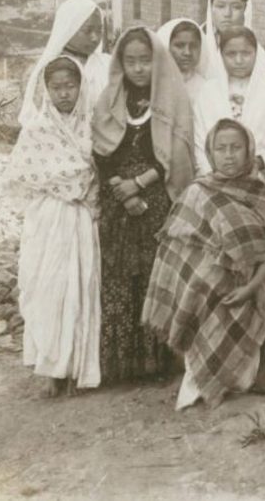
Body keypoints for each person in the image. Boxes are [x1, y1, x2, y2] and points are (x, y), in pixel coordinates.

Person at [143, 119, 265, 409]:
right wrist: (202, 276)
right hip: (203, 287)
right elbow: (177, 247)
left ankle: (230, 380)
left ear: (249, 151)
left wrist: (249, 289)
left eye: (236, 148)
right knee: (201, 294)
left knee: (242, 378)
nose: (229, 155)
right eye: (221, 148)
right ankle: (198, 383)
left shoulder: (260, 193)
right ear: (210, 152)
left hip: (246, 289)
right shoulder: (197, 191)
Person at [91, 27, 194, 384]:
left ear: (157, 62)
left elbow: (173, 155)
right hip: (117, 201)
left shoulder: (171, 100)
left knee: (154, 275)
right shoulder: (109, 99)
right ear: (120, 62)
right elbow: (100, 150)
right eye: (130, 61)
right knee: (118, 276)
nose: (137, 69)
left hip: (154, 198)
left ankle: (158, 360)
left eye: (145, 61)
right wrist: (120, 187)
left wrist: (139, 185)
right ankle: (122, 362)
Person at [7, 56, 101, 396]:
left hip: (80, 217)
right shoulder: (37, 129)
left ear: (81, 87)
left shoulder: (92, 125)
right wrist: (64, 183)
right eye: (57, 88)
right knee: (46, 286)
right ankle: (51, 369)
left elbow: (96, 169)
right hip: (48, 218)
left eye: (70, 86)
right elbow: (23, 174)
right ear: (46, 91)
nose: (64, 94)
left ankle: (75, 367)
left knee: (79, 287)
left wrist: (85, 190)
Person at [194, 26, 265, 173]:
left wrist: (256, 164)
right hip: (213, 177)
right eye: (231, 54)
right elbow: (200, 140)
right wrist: (212, 174)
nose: (239, 60)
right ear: (221, 56)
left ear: (256, 54)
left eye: (246, 53)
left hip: (257, 176)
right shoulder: (209, 92)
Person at [19, 0, 110, 127]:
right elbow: (40, 120)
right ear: (69, 28)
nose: (95, 37)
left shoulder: (108, 64)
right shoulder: (48, 69)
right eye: (88, 31)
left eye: (99, 30)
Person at [200, 0, 265, 82]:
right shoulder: (197, 44)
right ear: (211, 9)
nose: (227, 14)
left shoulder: (260, 56)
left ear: (246, 10)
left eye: (236, 7)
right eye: (220, 6)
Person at [157, 18, 206, 97]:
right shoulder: (156, 85)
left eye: (193, 46)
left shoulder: (206, 88)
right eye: (180, 46)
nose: (187, 52)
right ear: (166, 46)